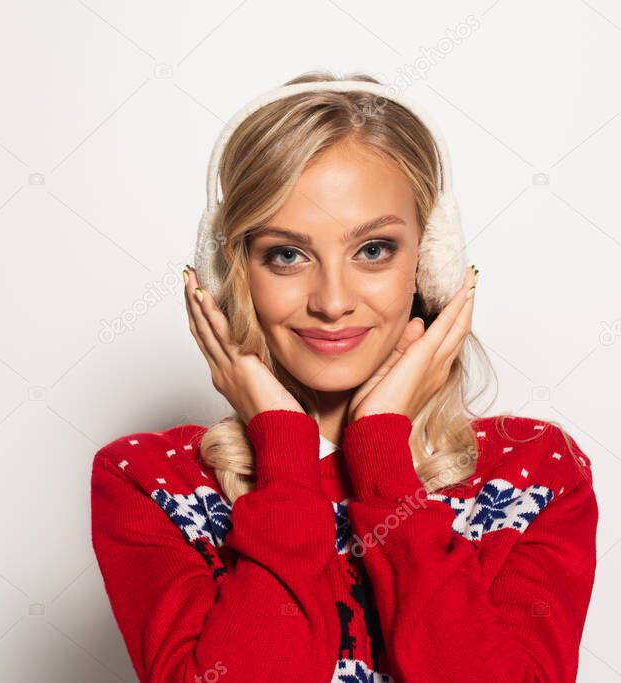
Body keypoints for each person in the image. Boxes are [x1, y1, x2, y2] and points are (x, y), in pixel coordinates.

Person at [90, 71, 598, 683]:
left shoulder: (536, 474)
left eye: (374, 249)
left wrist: (381, 451)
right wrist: (282, 444)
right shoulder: (149, 482)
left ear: (429, 262)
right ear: (231, 273)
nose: (332, 302)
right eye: (286, 254)